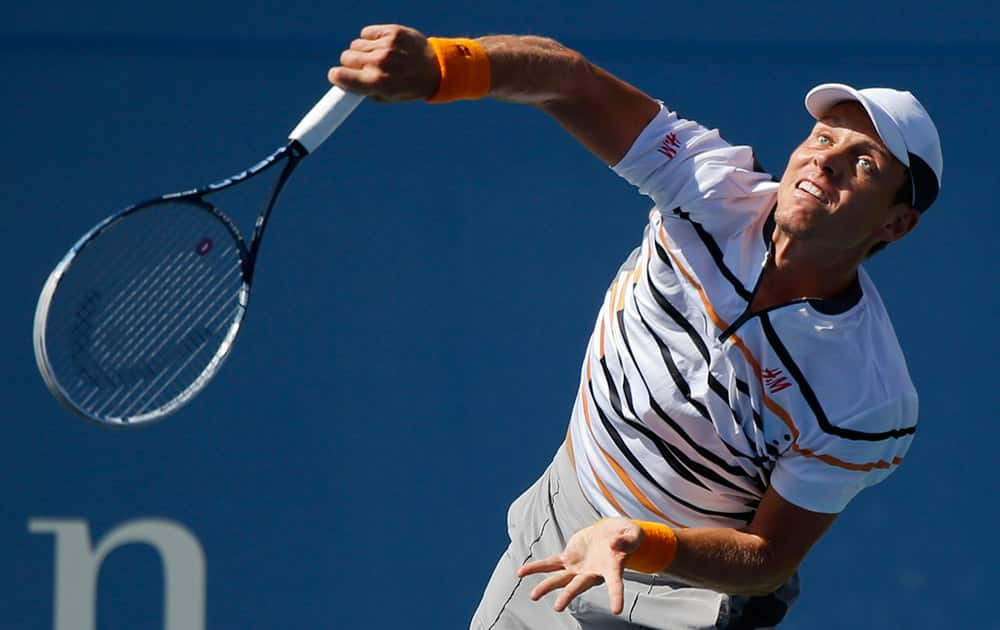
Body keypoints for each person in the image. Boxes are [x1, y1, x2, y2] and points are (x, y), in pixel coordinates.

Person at [328, 25, 943, 629]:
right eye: (821, 137)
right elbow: (571, 83)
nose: (825, 160)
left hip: (689, 599)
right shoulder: (707, 186)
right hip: (555, 538)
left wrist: (638, 541)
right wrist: (443, 64)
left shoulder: (868, 396)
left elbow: (768, 560)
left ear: (896, 224)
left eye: (863, 162)